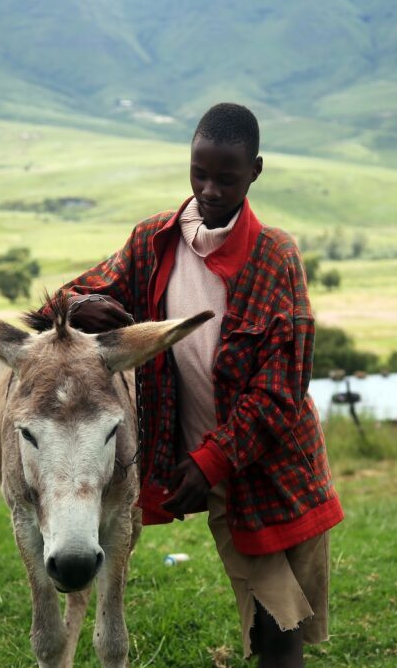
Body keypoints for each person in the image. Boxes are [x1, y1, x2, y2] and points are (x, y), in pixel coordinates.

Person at [53, 103, 343, 666]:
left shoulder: (275, 257)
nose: (209, 190)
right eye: (199, 173)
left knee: (280, 622)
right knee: (274, 615)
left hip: (270, 468)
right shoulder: (154, 242)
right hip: (199, 460)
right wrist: (81, 305)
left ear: (255, 171)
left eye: (226, 179)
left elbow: (280, 391)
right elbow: (66, 298)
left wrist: (212, 462)